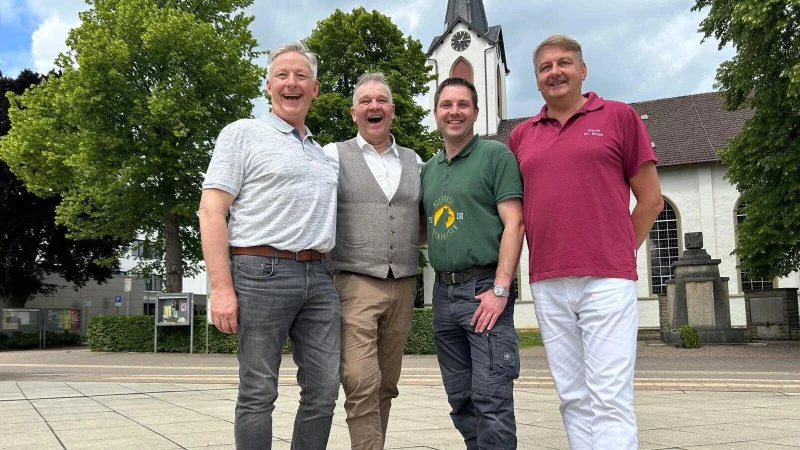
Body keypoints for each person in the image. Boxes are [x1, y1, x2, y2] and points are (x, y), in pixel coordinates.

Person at [508, 35, 664, 449]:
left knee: (609, 396)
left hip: (607, 280)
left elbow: (651, 200)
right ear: (537, 80)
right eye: (545, 67)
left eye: (564, 63)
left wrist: (617, 249)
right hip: (547, 280)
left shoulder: (618, 117)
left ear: (583, 70)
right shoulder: (521, 137)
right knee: (573, 396)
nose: (555, 72)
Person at [198, 41, 340, 450]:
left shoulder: (322, 154)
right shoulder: (243, 133)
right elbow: (211, 210)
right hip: (260, 272)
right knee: (259, 391)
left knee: (325, 388)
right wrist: (221, 288)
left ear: (314, 89)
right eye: (282, 75)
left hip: (319, 275)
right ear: (268, 86)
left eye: (301, 76)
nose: (291, 83)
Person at [421, 77, 524, 450]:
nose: (454, 111)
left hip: (483, 290)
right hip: (443, 296)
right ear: (436, 113)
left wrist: (500, 290)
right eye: (446, 104)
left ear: (476, 112)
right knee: (460, 399)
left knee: (491, 400)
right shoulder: (430, 169)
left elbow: (515, 223)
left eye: (463, 104)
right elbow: (422, 230)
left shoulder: (496, 157)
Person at [322, 72, 424, 450]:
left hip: (405, 283)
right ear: (353, 113)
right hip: (354, 282)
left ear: (392, 110)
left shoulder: (416, 161)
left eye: (381, 100)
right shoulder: (333, 155)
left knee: (386, 383)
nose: (373, 106)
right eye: (365, 101)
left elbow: (425, 223)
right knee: (360, 381)